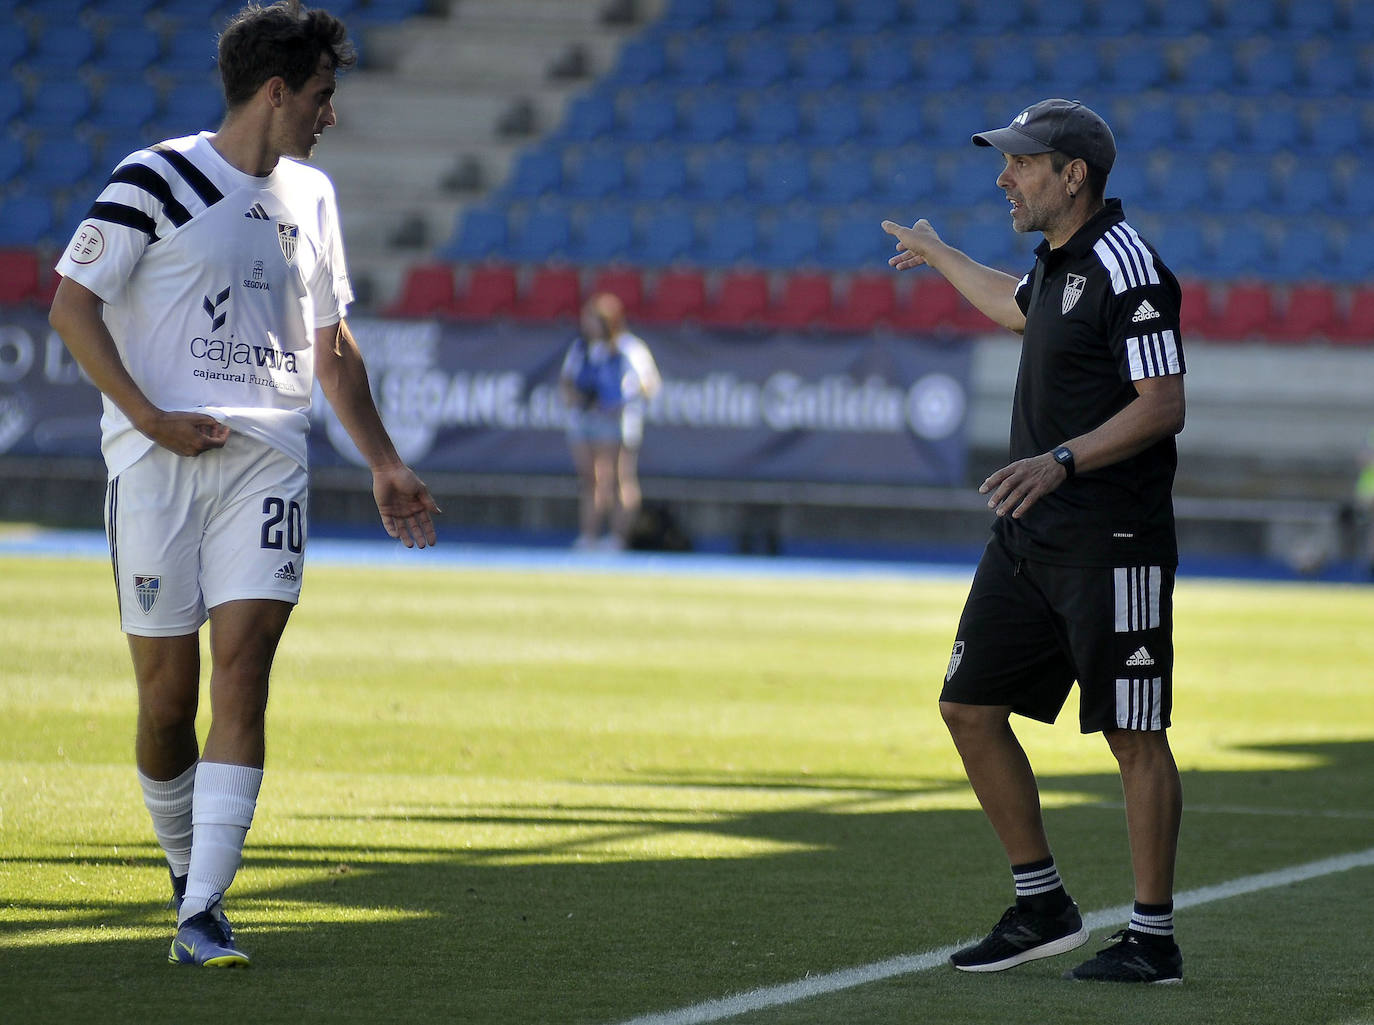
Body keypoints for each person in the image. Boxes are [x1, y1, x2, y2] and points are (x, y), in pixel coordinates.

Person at [47, 1, 438, 968]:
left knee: (245, 672)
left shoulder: (313, 197)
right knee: (163, 696)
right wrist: (148, 418)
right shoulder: (156, 177)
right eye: (320, 95)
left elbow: (334, 348)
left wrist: (384, 461)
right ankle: (187, 875)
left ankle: (205, 910)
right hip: (156, 462)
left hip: (268, 457)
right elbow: (71, 306)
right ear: (275, 91)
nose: (328, 115)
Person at [882, 98, 1187, 985]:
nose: (1004, 177)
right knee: (968, 706)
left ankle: (1152, 936)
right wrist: (940, 255)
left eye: (1020, 163)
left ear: (1072, 175)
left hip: (1112, 535)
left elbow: (1162, 404)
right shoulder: (1056, 265)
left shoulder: (1129, 265)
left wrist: (1060, 458)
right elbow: (1015, 308)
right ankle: (1043, 902)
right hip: (1029, 530)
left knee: (1133, 732)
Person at [559, 293, 654, 550]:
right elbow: (566, 382)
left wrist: (619, 401)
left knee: (619, 477)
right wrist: (578, 399)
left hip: (616, 420)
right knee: (591, 479)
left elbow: (648, 383)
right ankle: (589, 536)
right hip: (585, 418)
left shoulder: (628, 348)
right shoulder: (580, 348)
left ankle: (618, 537)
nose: (587, 325)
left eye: (593, 320)